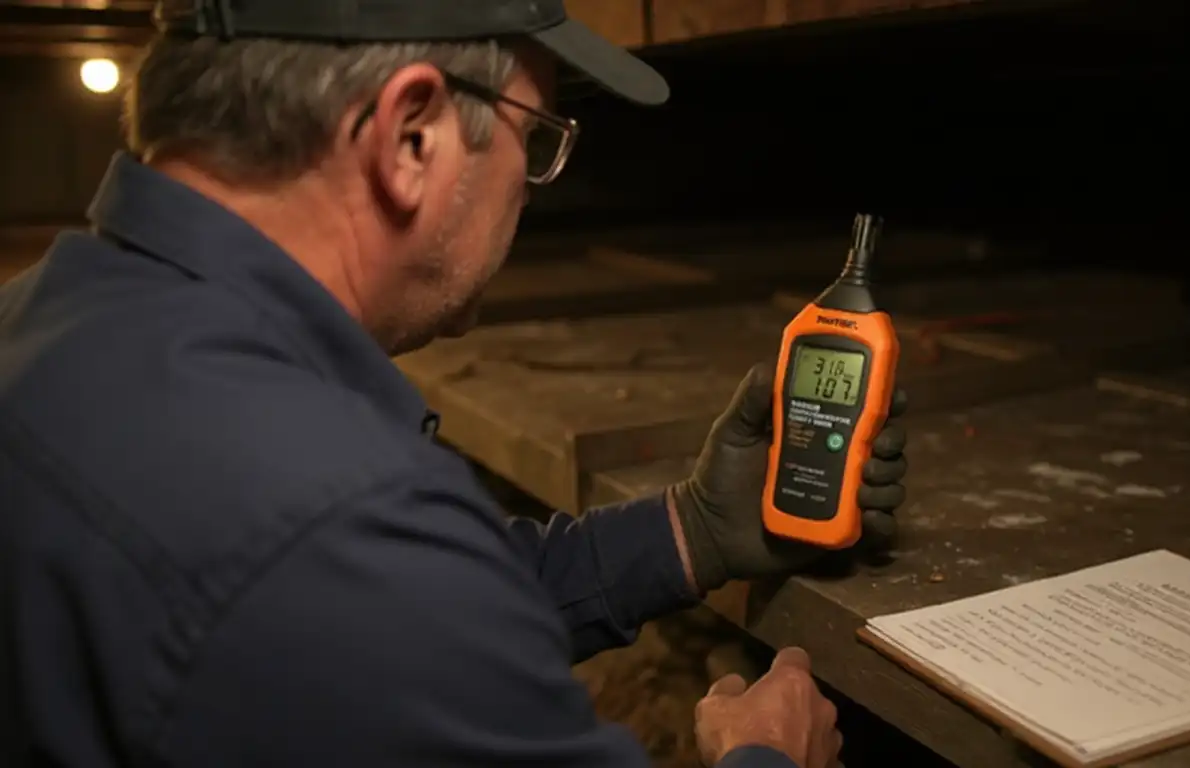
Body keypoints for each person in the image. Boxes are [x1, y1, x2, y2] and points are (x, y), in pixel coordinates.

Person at [0, 2, 909, 767]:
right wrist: (766, 756)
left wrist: (691, 531)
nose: (531, 185)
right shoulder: (323, 517)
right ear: (412, 136)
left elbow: (371, 630)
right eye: (536, 140)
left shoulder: (43, 322)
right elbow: (355, 581)